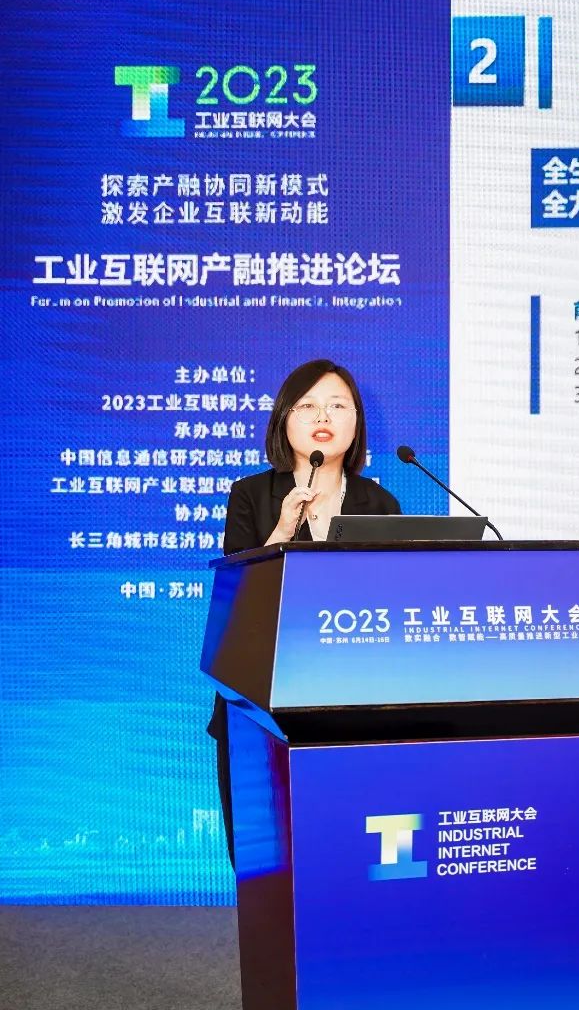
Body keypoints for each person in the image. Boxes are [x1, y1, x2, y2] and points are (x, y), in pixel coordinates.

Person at [207, 359, 401, 864]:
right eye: (308, 405)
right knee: (268, 858)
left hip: (355, 701)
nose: (324, 416)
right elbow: (237, 596)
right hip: (262, 701)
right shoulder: (252, 495)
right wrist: (281, 533)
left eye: (338, 405)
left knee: (349, 854)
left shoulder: (380, 504)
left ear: (356, 423)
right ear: (283, 420)